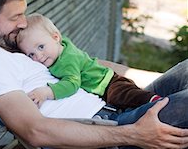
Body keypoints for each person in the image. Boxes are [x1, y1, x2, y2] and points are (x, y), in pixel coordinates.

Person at [0, 0, 188, 149]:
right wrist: (133, 134)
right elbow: (34, 130)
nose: (23, 23)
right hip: (104, 136)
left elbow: (84, 62)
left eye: (23, 14)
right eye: (15, 17)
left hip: (112, 106)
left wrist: (152, 79)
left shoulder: (12, 43)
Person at [16, 13, 161, 109]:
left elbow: (72, 84)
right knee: (126, 105)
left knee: (127, 96)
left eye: (41, 47)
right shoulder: (60, 46)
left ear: (55, 37)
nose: (38, 56)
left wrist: (46, 92)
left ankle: (154, 101)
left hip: (108, 84)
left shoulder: (67, 60)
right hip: (105, 83)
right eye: (31, 55)